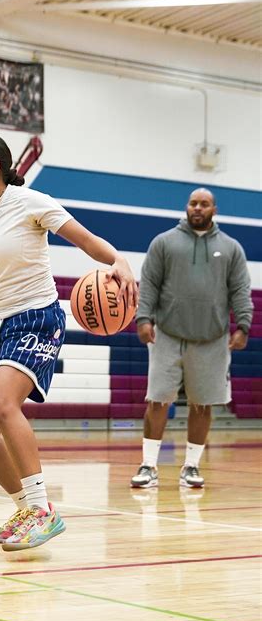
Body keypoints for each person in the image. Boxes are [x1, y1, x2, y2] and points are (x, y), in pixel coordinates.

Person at [0, 132, 138, 550]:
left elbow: (85, 240)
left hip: (37, 318)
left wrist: (118, 260)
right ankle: (25, 508)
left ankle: (43, 512)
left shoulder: (31, 203)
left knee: (2, 403)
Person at [131, 187, 253, 490]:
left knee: (203, 405)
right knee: (157, 400)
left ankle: (191, 466)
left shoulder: (231, 248)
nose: (197, 208)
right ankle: (148, 465)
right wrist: (143, 318)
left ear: (214, 210)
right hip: (167, 335)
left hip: (212, 338)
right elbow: (149, 284)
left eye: (204, 204)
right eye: (193, 203)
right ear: (187, 207)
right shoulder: (164, 242)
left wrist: (243, 325)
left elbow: (240, 289)